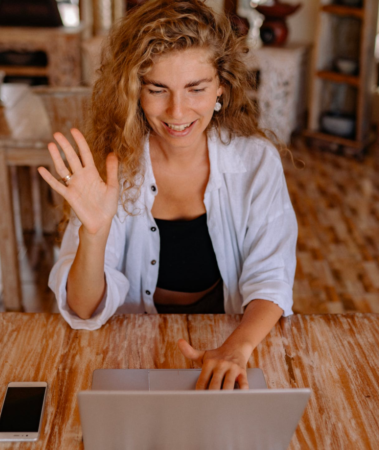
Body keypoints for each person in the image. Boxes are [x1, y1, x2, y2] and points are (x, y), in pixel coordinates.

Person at [38, 0, 297, 390]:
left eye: (196, 88)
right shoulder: (113, 168)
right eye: (158, 89)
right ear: (134, 92)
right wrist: (94, 234)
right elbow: (82, 308)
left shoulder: (256, 162)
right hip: (127, 350)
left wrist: (235, 349)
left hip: (231, 339)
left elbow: (271, 279)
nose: (178, 112)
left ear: (220, 88)